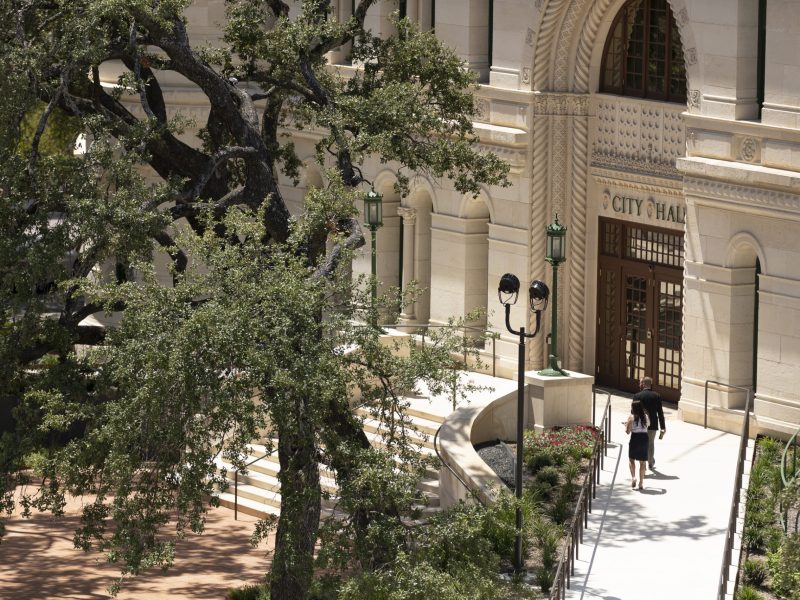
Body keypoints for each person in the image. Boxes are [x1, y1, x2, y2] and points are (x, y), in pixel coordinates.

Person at [633, 376, 666, 469]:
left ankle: (643, 463)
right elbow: (660, 413)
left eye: (640, 383)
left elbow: (633, 412)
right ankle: (650, 462)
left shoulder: (637, 396)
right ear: (650, 384)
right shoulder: (657, 396)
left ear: (643, 384)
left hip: (640, 424)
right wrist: (663, 427)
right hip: (653, 424)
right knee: (651, 443)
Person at [626, 400, 649, 490]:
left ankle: (633, 477)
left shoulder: (631, 417)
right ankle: (641, 483)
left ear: (634, 408)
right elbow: (648, 426)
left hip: (635, 438)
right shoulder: (646, 417)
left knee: (631, 459)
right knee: (643, 462)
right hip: (644, 438)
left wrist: (626, 426)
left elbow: (628, 432)